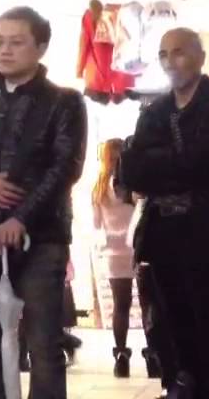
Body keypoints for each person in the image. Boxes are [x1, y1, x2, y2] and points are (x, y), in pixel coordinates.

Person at [0, 7, 86, 399]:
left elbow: (65, 167)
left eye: (17, 42)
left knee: (43, 344)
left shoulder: (64, 101)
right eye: (0, 41)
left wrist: (22, 217)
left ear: (40, 47)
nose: (5, 50)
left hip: (42, 235)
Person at [121, 28, 209, 399]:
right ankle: (185, 380)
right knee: (172, 316)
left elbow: (207, 161)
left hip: (207, 230)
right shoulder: (156, 109)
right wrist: (168, 166)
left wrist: (161, 165)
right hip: (163, 233)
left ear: (199, 56)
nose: (169, 62)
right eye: (163, 54)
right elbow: (132, 169)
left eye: (178, 52)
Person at [91, 139, 136, 378]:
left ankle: (121, 357)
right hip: (137, 248)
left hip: (112, 251)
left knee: (121, 306)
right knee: (150, 304)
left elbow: (96, 224)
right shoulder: (132, 185)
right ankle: (154, 357)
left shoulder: (98, 188)